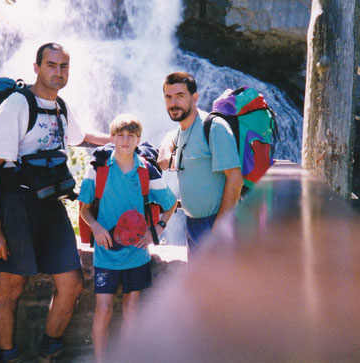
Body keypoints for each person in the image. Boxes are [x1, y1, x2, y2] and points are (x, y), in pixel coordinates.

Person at [0, 42, 111, 362]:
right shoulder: (16, 105)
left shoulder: (60, 107)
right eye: (51, 65)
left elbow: (81, 137)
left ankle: (47, 352)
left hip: (51, 203)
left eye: (63, 66)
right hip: (17, 205)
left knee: (72, 284)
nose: (58, 72)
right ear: (37, 67)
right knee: (12, 286)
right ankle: (7, 356)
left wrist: (121, 138)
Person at [78, 113, 177, 363]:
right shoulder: (98, 169)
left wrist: (157, 230)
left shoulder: (146, 171)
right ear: (112, 138)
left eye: (131, 136)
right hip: (106, 252)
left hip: (136, 253)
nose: (125, 140)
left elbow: (170, 204)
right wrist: (96, 227)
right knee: (103, 309)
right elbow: (84, 209)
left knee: (132, 308)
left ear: (138, 139)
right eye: (120, 135)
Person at [157, 72, 243, 259]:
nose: (173, 103)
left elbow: (235, 178)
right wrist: (165, 145)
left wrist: (220, 226)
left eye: (180, 96)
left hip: (214, 224)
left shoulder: (214, 127)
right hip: (192, 224)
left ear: (194, 98)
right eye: (168, 97)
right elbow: (173, 135)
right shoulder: (182, 129)